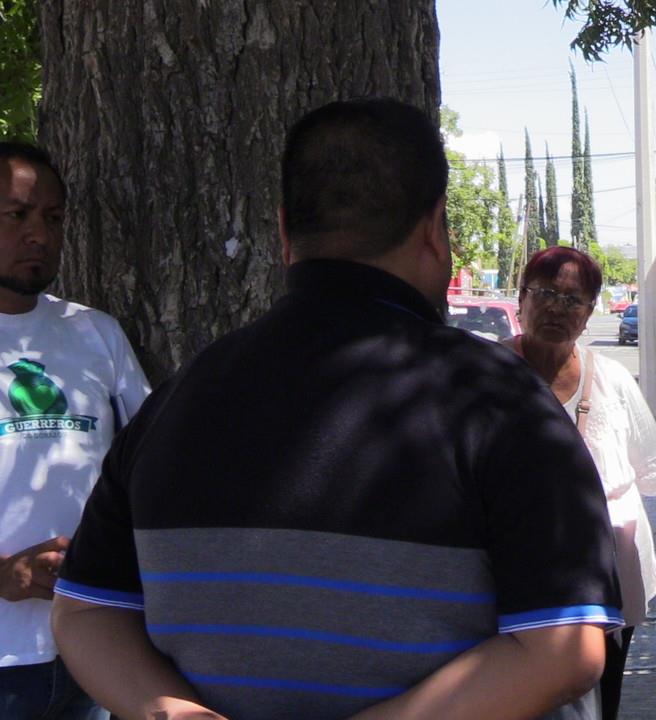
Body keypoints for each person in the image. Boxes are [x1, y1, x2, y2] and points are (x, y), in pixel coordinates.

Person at [48, 99, 622, 720]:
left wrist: (167, 710)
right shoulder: (500, 400)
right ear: (434, 229)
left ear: (284, 230)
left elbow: (83, 610)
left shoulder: (178, 397)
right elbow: (563, 648)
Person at [0, 142, 150, 719]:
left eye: (53, 217)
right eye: (17, 215)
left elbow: (153, 460)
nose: (39, 233)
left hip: (96, 646)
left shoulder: (96, 334)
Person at [503, 246, 656, 720]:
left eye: (573, 300)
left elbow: (650, 471)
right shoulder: (484, 372)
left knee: (601, 690)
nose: (556, 308)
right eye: (545, 293)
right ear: (521, 298)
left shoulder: (612, 380)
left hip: (605, 571)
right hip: (511, 569)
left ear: (590, 312)